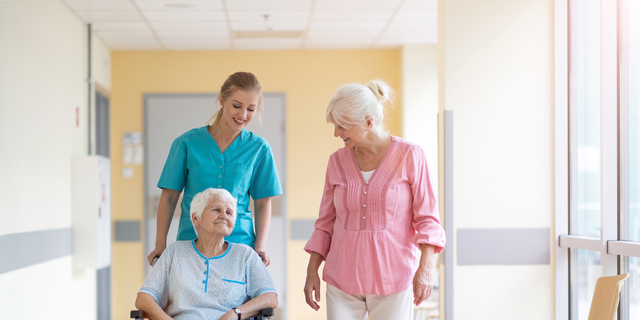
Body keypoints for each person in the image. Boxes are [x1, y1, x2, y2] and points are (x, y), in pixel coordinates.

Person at [303, 80, 446, 320]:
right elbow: (326, 222)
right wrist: (312, 271)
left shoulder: (410, 155)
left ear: (369, 122)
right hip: (342, 278)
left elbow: (427, 218)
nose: (336, 133)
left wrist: (426, 268)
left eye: (342, 126)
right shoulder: (336, 161)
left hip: (394, 277)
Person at [147, 72, 282, 267]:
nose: (243, 115)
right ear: (222, 100)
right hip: (191, 242)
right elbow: (169, 197)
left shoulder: (259, 149)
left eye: (251, 109)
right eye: (236, 106)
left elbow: (262, 203)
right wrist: (160, 244)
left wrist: (260, 247)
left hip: (239, 243)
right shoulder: (187, 143)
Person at [136, 188, 278, 320]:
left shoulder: (245, 255)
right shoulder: (175, 252)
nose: (224, 216)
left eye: (229, 213)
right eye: (217, 210)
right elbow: (143, 299)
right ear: (196, 218)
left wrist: (235, 313)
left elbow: (270, 298)